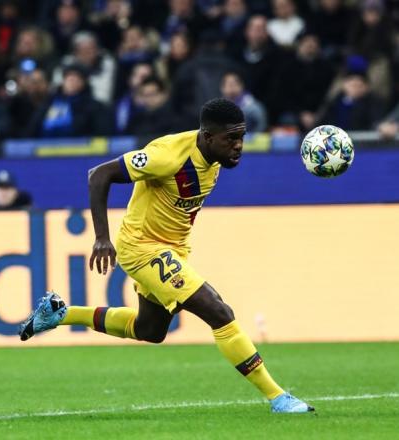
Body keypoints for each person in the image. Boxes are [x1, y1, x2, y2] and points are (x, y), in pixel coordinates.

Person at [18, 98, 314, 414]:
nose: (238, 146)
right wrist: (102, 238)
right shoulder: (168, 155)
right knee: (219, 312)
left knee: (151, 330)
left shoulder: (213, 156)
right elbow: (98, 175)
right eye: (231, 138)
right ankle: (278, 397)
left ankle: (60, 314)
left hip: (172, 249)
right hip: (142, 248)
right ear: (208, 136)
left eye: (241, 137)